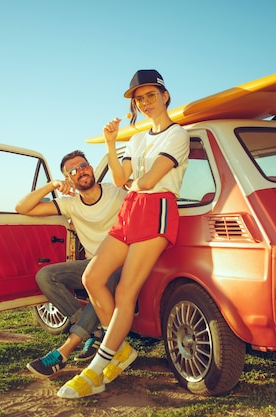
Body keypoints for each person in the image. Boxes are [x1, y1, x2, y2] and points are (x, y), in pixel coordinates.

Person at [57, 70, 190, 398]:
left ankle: (96, 370)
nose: (145, 103)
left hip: (157, 210)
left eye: (150, 96)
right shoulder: (138, 138)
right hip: (131, 209)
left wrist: (135, 181)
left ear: (165, 95)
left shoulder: (177, 135)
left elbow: (148, 181)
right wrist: (112, 143)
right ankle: (120, 350)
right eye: (139, 99)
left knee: (126, 293)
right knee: (92, 277)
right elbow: (120, 179)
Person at [15, 150, 127, 379]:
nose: (81, 171)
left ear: (92, 167)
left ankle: (63, 351)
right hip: (91, 264)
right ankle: (92, 333)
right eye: (72, 170)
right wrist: (51, 185)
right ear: (69, 179)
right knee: (45, 276)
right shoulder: (70, 204)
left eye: (84, 165)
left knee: (100, 281)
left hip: (120, 262)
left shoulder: (116, 193)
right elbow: (22, 208)